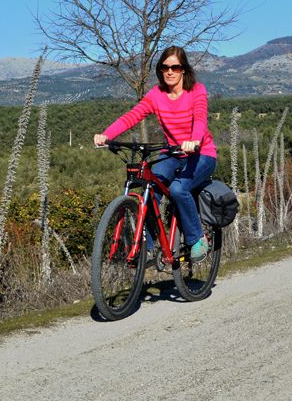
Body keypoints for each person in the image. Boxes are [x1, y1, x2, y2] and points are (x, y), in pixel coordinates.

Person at [93, 46, 217, 262]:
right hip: (173, 153)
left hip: (201, 154)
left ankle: (197, 238)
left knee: (178, 189)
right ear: (160, 70)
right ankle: (146, 248)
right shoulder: (156, 95)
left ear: (184, 70)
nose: (169, 72)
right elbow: (132, 116)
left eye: (175, 67)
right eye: (164, 67)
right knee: (149, 190)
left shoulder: (196, 90)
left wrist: (194, 141)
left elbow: (200, 118)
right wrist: (107, 135)